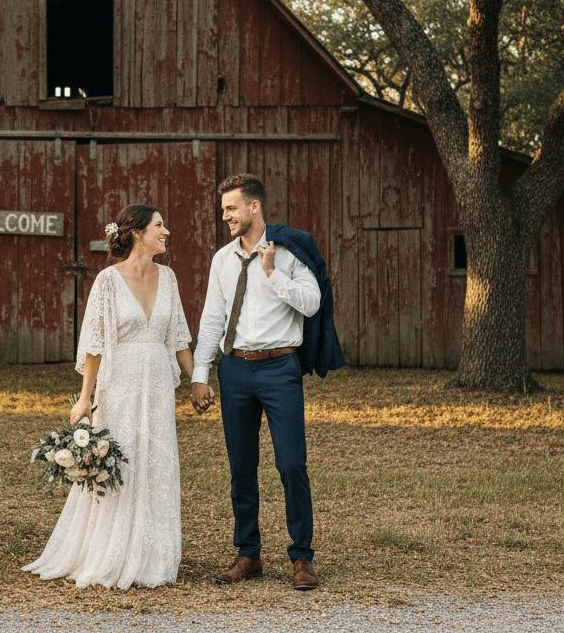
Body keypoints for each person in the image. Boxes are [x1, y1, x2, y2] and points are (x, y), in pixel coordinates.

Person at [23, 204, 194, 589]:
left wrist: (198, 379)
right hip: (119, 383)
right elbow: (95, 344)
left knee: (156, 461)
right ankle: (111, 549)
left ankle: (153, 553)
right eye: (159, 226)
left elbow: (179, 337)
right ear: (137, 233)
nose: (166, 232)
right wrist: (85, 399)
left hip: (156, 388)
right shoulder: (107, 281)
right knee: (122, 460)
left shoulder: (168, 278)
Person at [190, 173, 344, 590]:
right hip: (235, 369)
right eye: (223, 210)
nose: (225, 217)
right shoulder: (222, 260)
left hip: (280, 369)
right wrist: (200, 375)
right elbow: (212, 318)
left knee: (291, 463)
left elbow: (312, 304)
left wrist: (273, 272)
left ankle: (302, 558)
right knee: (242, 466)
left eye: (231, 209)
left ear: (254, 207)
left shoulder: (289, 253)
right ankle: (248, 553)